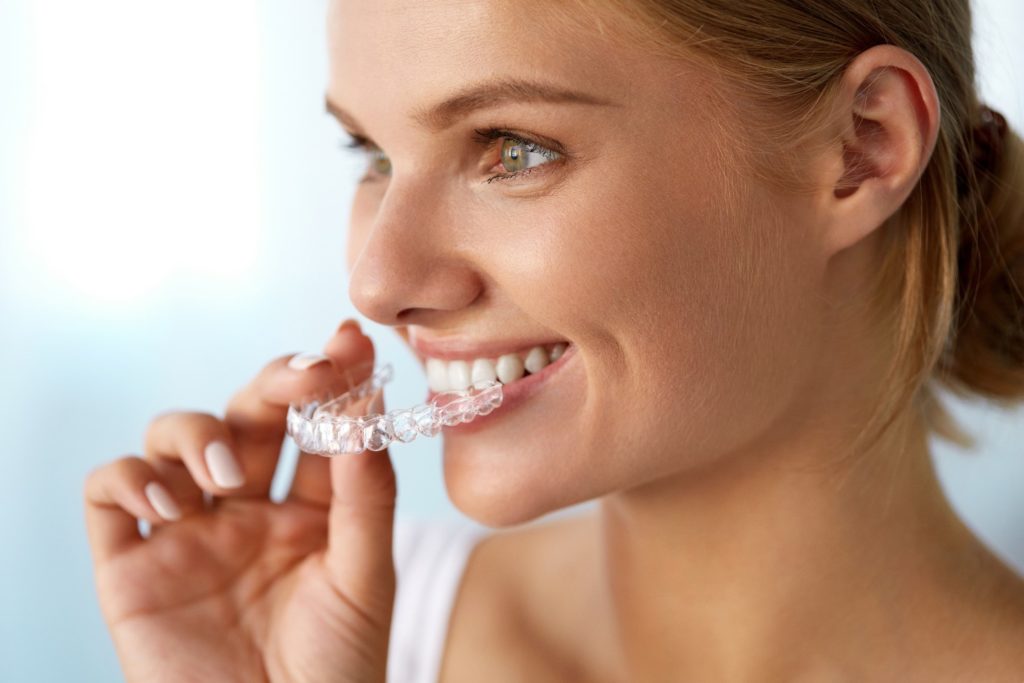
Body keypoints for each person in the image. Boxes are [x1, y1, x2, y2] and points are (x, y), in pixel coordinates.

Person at [84, 0, 1024, 680]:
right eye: (372, 155)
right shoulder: (342, 629)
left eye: (513, 147)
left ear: (862, 147)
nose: (378, 282)